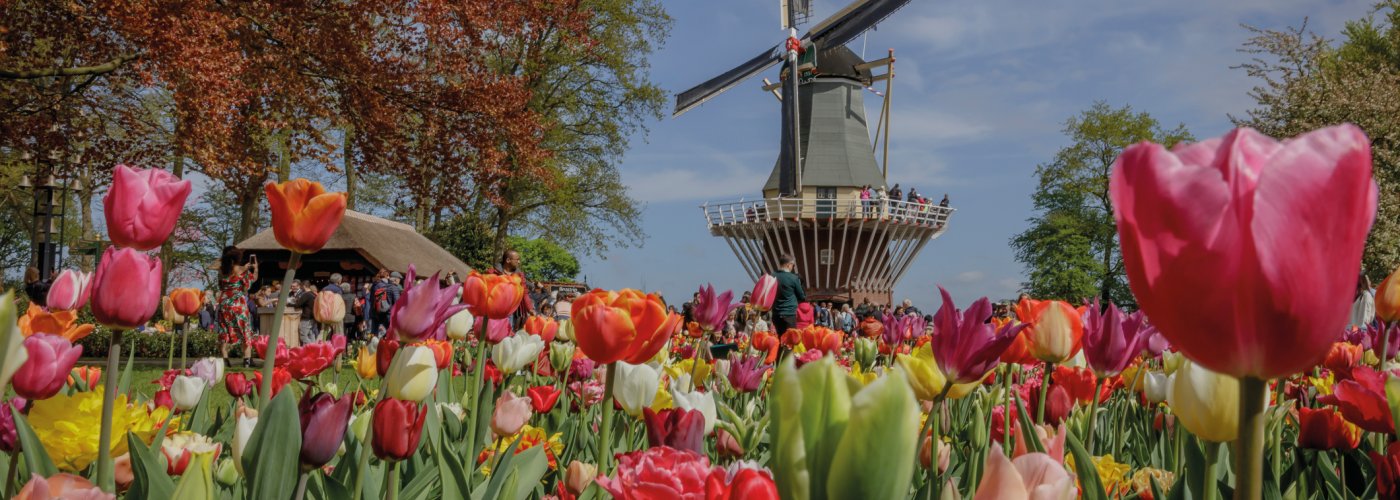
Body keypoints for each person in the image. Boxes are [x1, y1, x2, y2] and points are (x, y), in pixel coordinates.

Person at [215, 246, 258, 367]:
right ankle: (247, 360)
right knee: (245, 330)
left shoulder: (221, 270)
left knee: (224, 330)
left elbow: (221, 286)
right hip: (238, 303)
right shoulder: (241, 269)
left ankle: (225, 360)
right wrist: (255, 269)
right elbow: (250, 282)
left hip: (224, 303)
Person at [493, 249, 536, 329]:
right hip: (494, 310)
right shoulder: (494, 273)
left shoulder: (519, 276)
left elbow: (524, 293)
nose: (519, 262)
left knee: (507, 333)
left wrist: (530, 308)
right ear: (508, 260)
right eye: (517, 260)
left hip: (511, 312)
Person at [771, 254, 806, 334]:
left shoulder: (772, 276)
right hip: (789, 314)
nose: (793, 267)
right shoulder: (793, 278)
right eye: (793, 265)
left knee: (780, 338)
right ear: (789, 264)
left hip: (776, 313)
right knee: (790, 340)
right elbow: (801, 296)